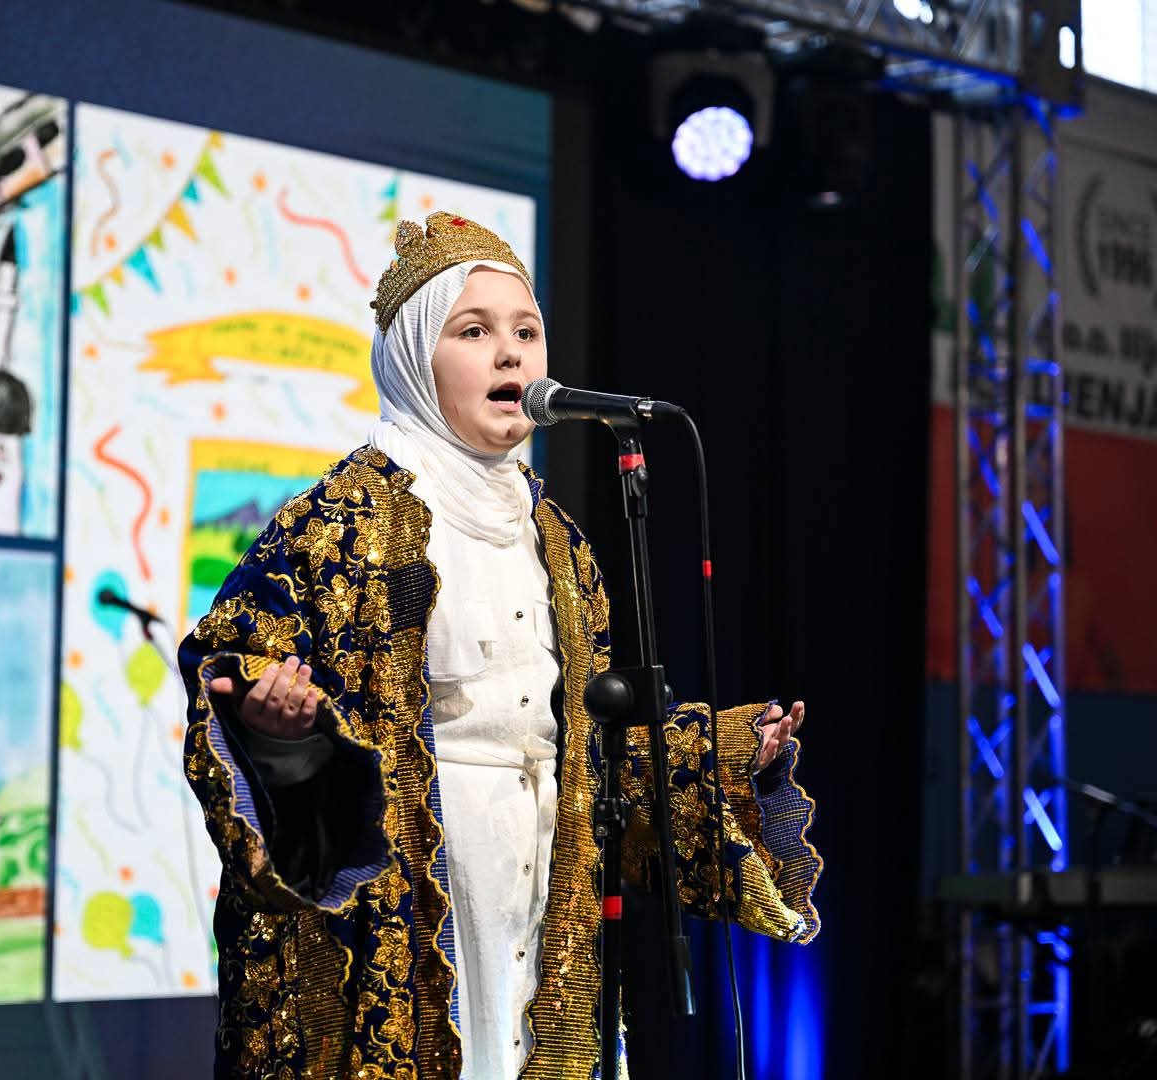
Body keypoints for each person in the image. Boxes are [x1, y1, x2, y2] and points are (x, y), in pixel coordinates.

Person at [180, 211, 821, 1078]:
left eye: (526, 332)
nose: (510, 356)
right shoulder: (338, 522)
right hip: (414, 898)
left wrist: (727, 751)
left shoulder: (559, 541)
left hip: (544, 874)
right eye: (474, 332)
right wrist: (278, 726)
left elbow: (593, 746)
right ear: (413, 357)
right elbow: (232, 663)